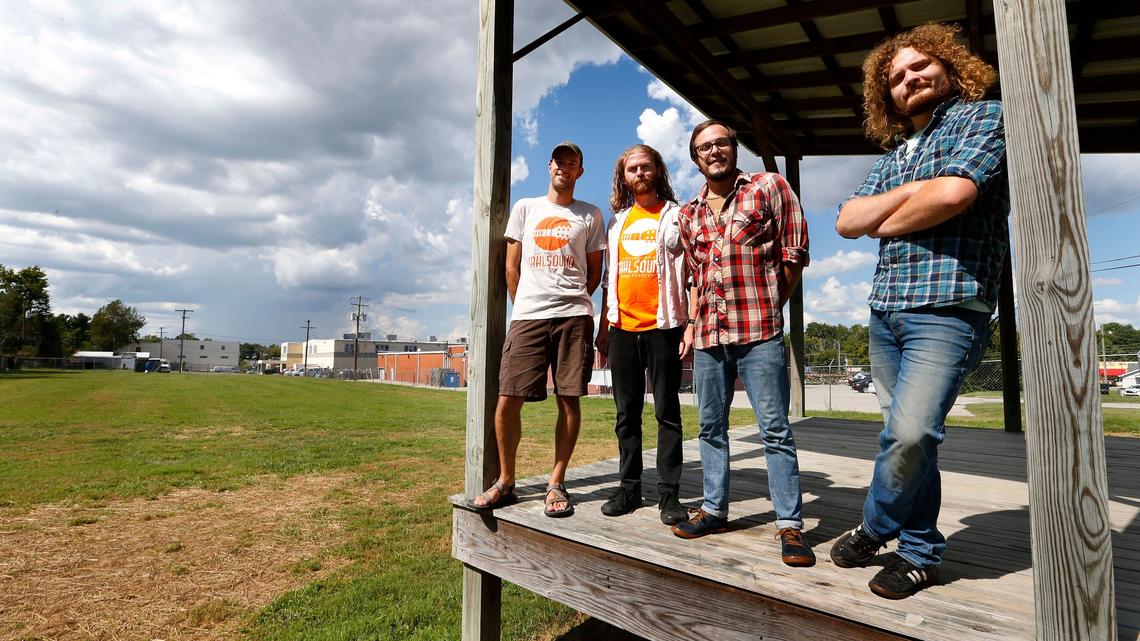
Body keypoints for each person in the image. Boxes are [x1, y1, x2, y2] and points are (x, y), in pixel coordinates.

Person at [831, 23, 1008, 599]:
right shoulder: (895, 153)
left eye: (920, 66)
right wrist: (916, 195)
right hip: (886, 310)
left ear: (950, 67)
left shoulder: (982, 117)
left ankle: (874, 525)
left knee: (910, 434)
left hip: (949, 305)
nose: (909, 79)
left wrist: (887, 216)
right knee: (909, 440)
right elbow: (847, 220)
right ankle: (920, 553)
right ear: (886, 96)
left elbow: (956, 194)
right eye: (896, 77)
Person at [674, 119, 814, 568]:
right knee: (709, 428)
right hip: (708, 336)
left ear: (733, 149)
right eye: (704, 147)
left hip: (759, 333)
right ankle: (714, 510)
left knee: (774, 429)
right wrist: (692, 324)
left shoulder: (768, 187)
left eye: (721, 143)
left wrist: (771, 303)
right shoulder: (688, 213)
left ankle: (789, 525)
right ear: (696, 158)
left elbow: (794, 252)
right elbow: (695, 276)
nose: (714, 151)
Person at [468, 141, 606, 518]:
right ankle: (506, 481)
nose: (564, 167)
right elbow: (511, 267)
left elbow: (594, 273)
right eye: (559, 161)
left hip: (574, 316)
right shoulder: (525, 208)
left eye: (572, 163)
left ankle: (556, 482)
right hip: (528, 316)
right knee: (507, 399)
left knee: (569, 399)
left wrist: (570, 299)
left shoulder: (590, 214)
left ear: (580, 172)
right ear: (549, 166)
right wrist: (526, 303)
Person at [594, 144, 691, 526]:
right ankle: (629, 488)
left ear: (657, 171)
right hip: (621, 329)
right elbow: (608, 279)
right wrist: (604, 328)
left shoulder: (676, 215)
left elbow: (692, 271)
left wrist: (690, 323)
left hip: (663, 326)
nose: (639, 173)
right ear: (624, 176)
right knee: (626, 415)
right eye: (632, 168)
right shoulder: (616, 222)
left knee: (667, 412)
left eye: (645, 167)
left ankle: (669, 494)